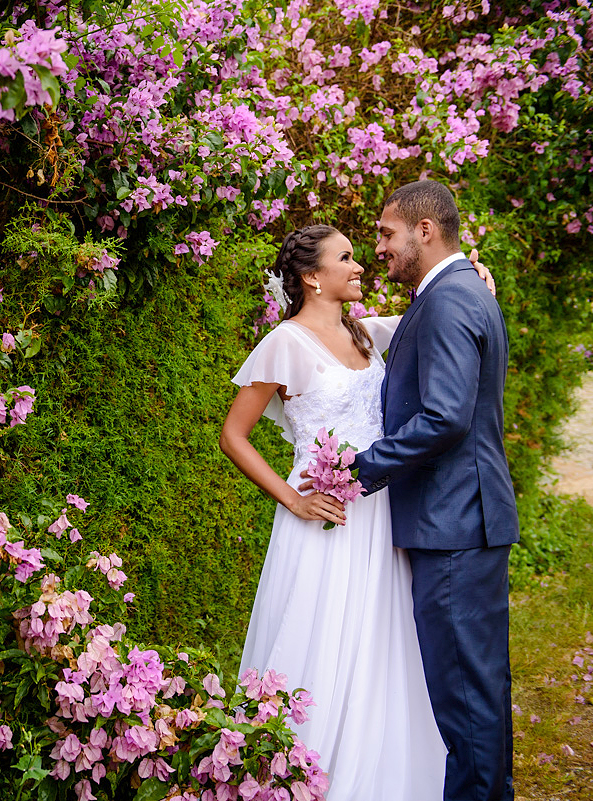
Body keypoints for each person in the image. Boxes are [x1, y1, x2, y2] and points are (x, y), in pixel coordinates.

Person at [219, 221, 498, 799]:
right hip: (324, 513)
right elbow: (233, 436)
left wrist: (474, 281)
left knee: (382, 641)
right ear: (311, 277)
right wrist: (294, 498)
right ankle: (298, 774)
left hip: (380, 511)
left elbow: (437, 310)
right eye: (345, 258)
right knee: (320, 636)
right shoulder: (283, 344)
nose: (359, 266)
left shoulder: (366, 332)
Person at [345, 180, 519, 801]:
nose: (378, 247)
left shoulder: (449, 299)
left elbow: (445, 418)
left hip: (453, 523)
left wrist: (359, 467)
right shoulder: (462, 291)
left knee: (465, 695)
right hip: (467, 518)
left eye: (386, 233)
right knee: (478, 688)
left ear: (425, 230)